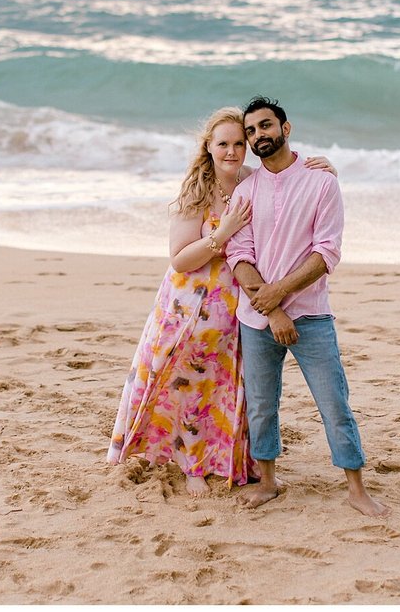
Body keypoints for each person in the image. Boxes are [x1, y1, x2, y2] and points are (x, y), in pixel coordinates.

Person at [106, 106, 336, 497]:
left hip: (239, 302)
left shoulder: (253, 181)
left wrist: (325, 169)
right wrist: (222, 233)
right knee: (185, 381)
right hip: (190, 305)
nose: (232, 151)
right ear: (208, 148)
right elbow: (179, 259)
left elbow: (291, 189)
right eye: (222, 144)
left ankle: (218, 457)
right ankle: (188, 462)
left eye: (238, 143)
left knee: (223, 386)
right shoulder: (196, 190)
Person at [225, 96, 390, 518]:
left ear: (286, 128)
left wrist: (279, 294)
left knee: (333, 401)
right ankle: (268, 481)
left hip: (312, 315)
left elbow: (326, 253)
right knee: (261, 404)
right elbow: (238, 255)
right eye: (251, 131)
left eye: (265, 126)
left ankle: (356, 488)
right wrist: (272, 309)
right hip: (257, 318)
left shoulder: (321, 182)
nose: (258, 135)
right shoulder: (245, 191)